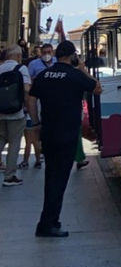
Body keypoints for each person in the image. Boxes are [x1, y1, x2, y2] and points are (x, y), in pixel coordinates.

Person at [29, 40, 102, 238]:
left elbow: (32, 97)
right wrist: (83, 69)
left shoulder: (44, 75)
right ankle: (48, 223)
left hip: (48, 132)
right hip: (67, 133)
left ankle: (48, 221)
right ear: (72, 56)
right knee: (59, 179)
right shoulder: (75, 75)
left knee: (51, 176)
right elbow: (97, 88)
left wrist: (35, 122)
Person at [0, 44, 37, 186]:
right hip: (16, 113)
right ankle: (10, 176)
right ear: (18, 56)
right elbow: (27, 91)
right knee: (14, 143)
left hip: (0, 111)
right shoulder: (21, 69)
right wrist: (30, 111)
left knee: (1, 139)